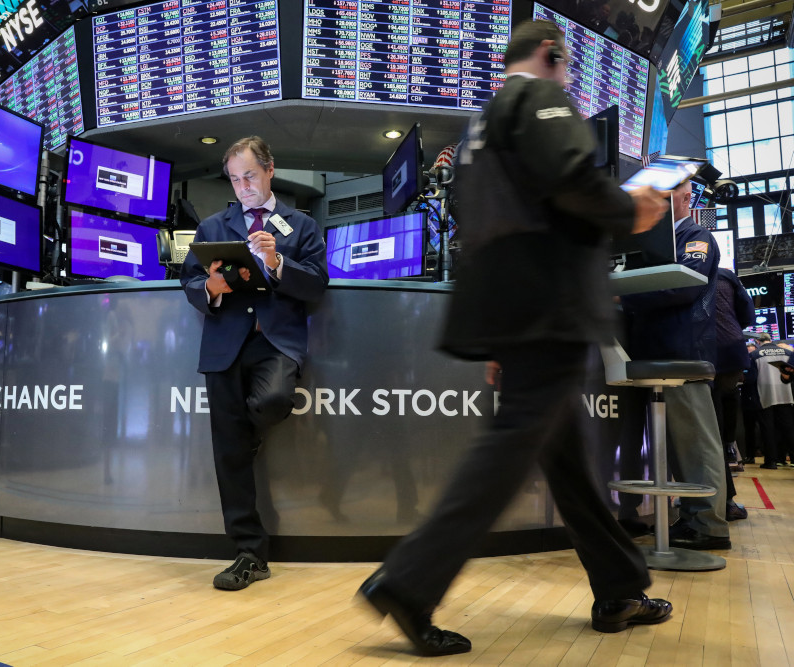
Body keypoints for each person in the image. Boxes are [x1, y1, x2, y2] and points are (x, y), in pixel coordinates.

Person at [356, 20, 671, 657]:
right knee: (506, 454)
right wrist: (629, 209)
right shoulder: (537, 96)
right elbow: (571, 177)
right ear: (550, 55)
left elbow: (485, 228)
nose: (568, 78)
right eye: (564, 64)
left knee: (566, 459)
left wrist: (499, 340)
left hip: (513, 310)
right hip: (549, 304)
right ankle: (409, 582)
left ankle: (617, 588)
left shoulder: (477, 130)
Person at [179, 136, 328, 590]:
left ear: (269, 171)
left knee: (275, 400)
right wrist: (210, 289)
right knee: (229, 453)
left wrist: (276, 260)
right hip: (225, 346)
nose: (243, 186)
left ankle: (250, 436)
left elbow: (318, 286)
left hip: (275, 344)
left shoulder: (301, 226)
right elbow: (188, 282)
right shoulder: (212, 227)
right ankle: (249, 553)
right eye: (235, 178)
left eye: (250, 176)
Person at [621, 181, 731, 550]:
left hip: (684, 353)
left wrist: (629, 296)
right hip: (654, 354)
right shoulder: (651, 241)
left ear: (685, 198)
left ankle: (710, 526)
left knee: (696, 445)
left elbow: (682, 287)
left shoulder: (696, 236)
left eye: (666, 195)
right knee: (676, 446)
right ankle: (691, 520)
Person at [711, 267, 753, 518]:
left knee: (708, 430)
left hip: (707, 353)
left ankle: (723, 502)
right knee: (717, 426)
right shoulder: (727, 275)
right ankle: (729, 443)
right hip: (732, 352)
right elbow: (747, 313)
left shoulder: (685, 266)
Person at [749, 334, 794, 469]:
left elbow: (751, 378)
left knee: (767, 429)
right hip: (786, 395)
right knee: (789, 428)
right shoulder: (787, 352)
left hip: (765, 395)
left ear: (758, 342)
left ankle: (771, 461)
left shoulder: (755, 354)